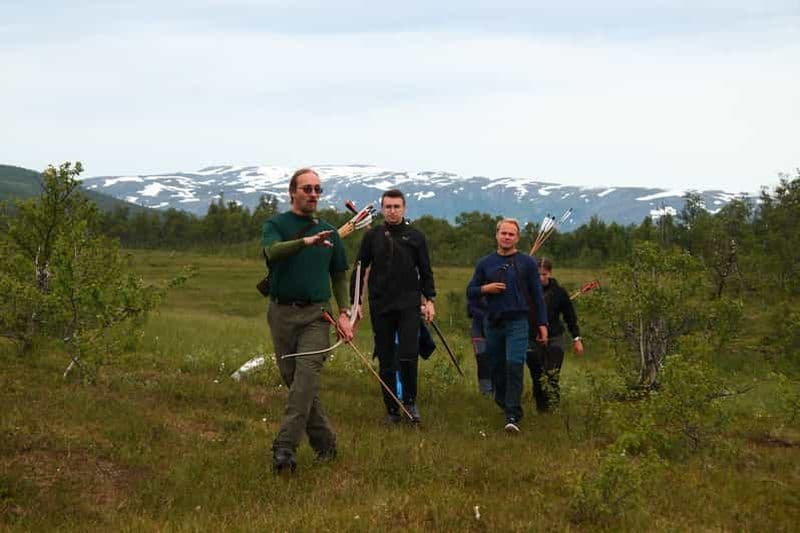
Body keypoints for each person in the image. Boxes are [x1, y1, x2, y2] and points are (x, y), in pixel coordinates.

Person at [261, 168, 353, 474]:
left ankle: (284, 448)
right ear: (293, 192)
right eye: (307, 189)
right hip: (282, 314)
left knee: (305, 380)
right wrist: (306, 242)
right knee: (296, 383)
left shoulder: (330, 232)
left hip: (317, 316)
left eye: (318, 189)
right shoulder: (276, 224)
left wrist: (345, 313)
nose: (313, 194)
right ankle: (326, 444)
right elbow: (272, 253)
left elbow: (339, 275)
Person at [351, 189, 436, 425]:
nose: (392, 211)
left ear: (404, 208)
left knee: (408, 355)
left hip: (409, 305)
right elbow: (359, 269)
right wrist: (356, 301)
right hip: (381, 305)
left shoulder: (416, 236)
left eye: (396, 206)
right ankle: (392, 410)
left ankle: (410, 402)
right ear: (382, 208)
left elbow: (426, 271)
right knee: (386, 359)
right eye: (388, 206)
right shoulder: (372, 236)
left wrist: (429, 300)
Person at [466, 219, 547, 434]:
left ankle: (513, 415)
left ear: (517, 238)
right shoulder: (485, 263)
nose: (507, 237)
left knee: (514, 365)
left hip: (518, 322)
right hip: (492, 322)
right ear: (497, 235)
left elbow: (538, 296)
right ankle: (503, 403)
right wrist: (487, 288)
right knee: (496, 368)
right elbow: (470, 291)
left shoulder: (527, 263)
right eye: (504, 233)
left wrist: (542, 324)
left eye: (511, 234)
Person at [526, 257, 584, 412]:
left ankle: (554, 408)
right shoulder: (526, 291)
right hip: (532, 337)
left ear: (550, 273)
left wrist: (576, 338)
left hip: (554, 336)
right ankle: (541, 410)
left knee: (552, 373)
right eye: (537, 274)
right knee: (537, 375)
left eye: (544, 274)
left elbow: (569, 316)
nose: (541, 278)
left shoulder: (559, 292)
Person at [467, 295, 493, 396]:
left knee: (497, 360)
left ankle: (498, 389)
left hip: (498, 327)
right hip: (478, 329)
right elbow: (470, 309)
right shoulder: (477, 284)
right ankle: (486, 391)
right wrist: (487, 316)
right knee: (482, 360)